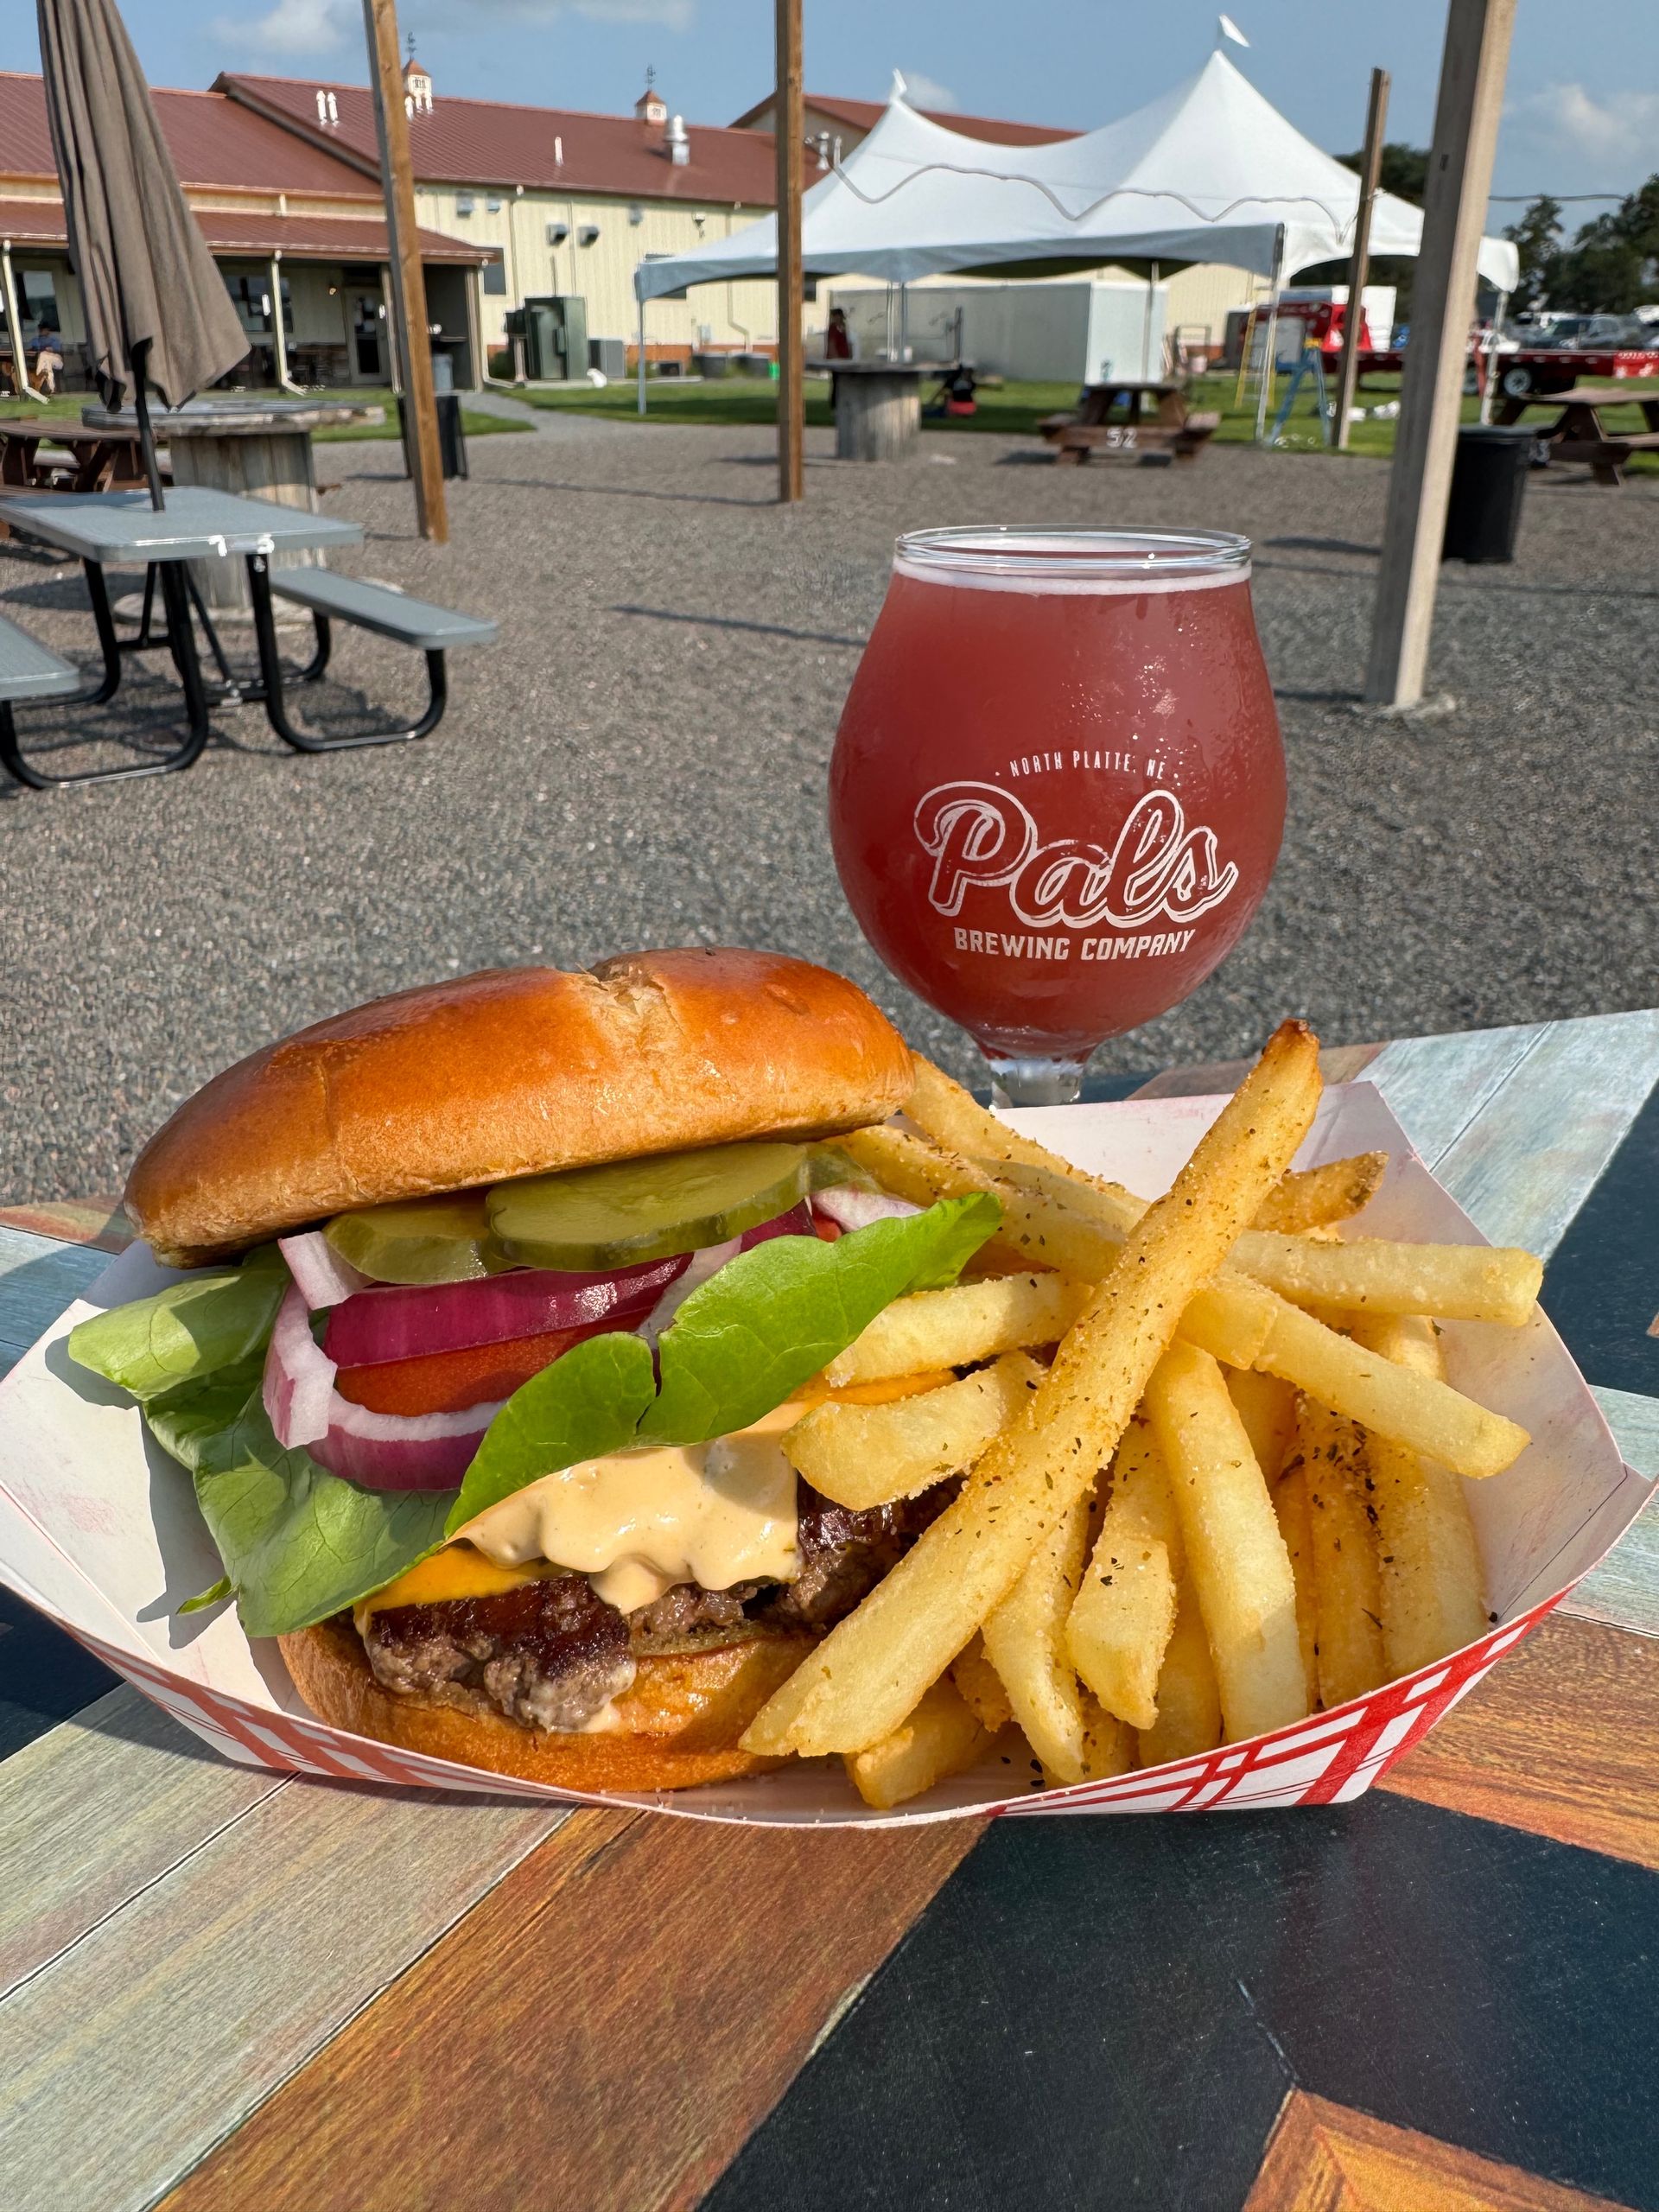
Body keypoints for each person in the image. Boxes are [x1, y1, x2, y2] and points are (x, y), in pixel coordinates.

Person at [32, 332, 64, 397]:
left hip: (57, 360)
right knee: (47, 364)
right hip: (46, 361)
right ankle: (52, 388)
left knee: (43, 354)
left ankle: (39, 376)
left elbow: (59, 350)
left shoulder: (54, 340)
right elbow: (33, 349)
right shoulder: (37, 340)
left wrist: (51, 350)